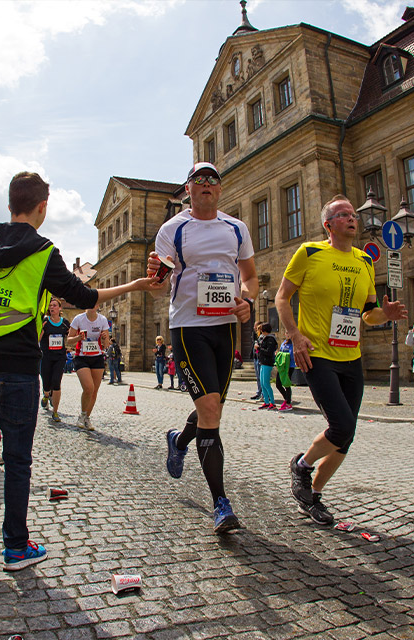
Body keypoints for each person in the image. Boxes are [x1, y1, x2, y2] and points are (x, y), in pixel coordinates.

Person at [0, 171, 162, 573]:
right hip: (17, 371)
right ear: (42, 207)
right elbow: (83, 296)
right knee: (17, 461)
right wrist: (135, 284)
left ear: (9, 202)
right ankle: (15, 549)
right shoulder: (43, 251)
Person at [276, 194, 407, 526]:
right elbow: (281, 297)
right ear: (328, 224)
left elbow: (367, 315)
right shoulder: (309, 253)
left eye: (353, 214)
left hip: (351, 357)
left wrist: (386, 314)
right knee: (343, 425)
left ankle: (312, 496)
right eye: (343, 214)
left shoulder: (365, 261)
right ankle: (301, 467)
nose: (352, 218)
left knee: (345, 439)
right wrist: (294, 334)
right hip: (317, 355)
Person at [148, 161, 258, 533]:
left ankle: (178, 439)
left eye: (213, 179)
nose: (207, 184)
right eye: (199, 179)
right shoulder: (172, 229)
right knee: (210, 409)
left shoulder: (236, 228)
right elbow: (160, 283)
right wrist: (155, 272)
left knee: (213, 408)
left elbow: (251, 276)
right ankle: (221, 504)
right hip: (188, 327)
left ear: (220, 189)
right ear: (189, 189)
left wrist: (247, 299)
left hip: (226, 329)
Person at [67, 304, 110, 430]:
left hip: (97, 357)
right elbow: (69, 340)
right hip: (81, 357)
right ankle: (82, 415)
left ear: (98, 305)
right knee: (88, 387)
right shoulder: (78, 319)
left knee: (94, 390)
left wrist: (104, 338)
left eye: (94, 303)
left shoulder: (102, 320)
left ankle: (86, 418)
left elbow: (106, 344)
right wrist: (79, 337)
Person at [39, 298, 70, 422]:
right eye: (50, 306)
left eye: (55, 305)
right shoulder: (45, 321)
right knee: (47, 383)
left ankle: (55, 412)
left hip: (59, 357)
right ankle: (46, 395)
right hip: (46, 357)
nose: (52, 308)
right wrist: (41, 328)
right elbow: (38, 338)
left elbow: (70, 336)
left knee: (56, 382)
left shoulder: (65, 323)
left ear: (60, 308)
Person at [256, 323, 278, 410]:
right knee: (262, 383)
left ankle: (272, 402)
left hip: (267, 363)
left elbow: (269, 352)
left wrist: (259, 348)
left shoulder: (271, 339)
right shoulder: (264, 338)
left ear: (264, 330)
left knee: (266, 384)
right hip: (262, 362)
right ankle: (266, 402)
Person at [275, 333, 295, 411]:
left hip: (289, 366)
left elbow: (291, 355)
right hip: (282, 366)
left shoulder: (293, 344)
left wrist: (282, 354)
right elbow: (280, 350)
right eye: (286, 333)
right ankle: (286, 399)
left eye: (288, 333)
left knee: (286, 384)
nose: (287, 335)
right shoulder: (284, 342)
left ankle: (288, 403)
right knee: (278, 384)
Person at [250, 321, 263, 400]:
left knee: (261, 377)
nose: (254, 328)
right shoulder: (255, 335)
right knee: (258, 377)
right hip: (255, 357)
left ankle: (263, 394)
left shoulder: (263, 336)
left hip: (260, 358)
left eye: (255, 326)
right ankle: (259, 392)